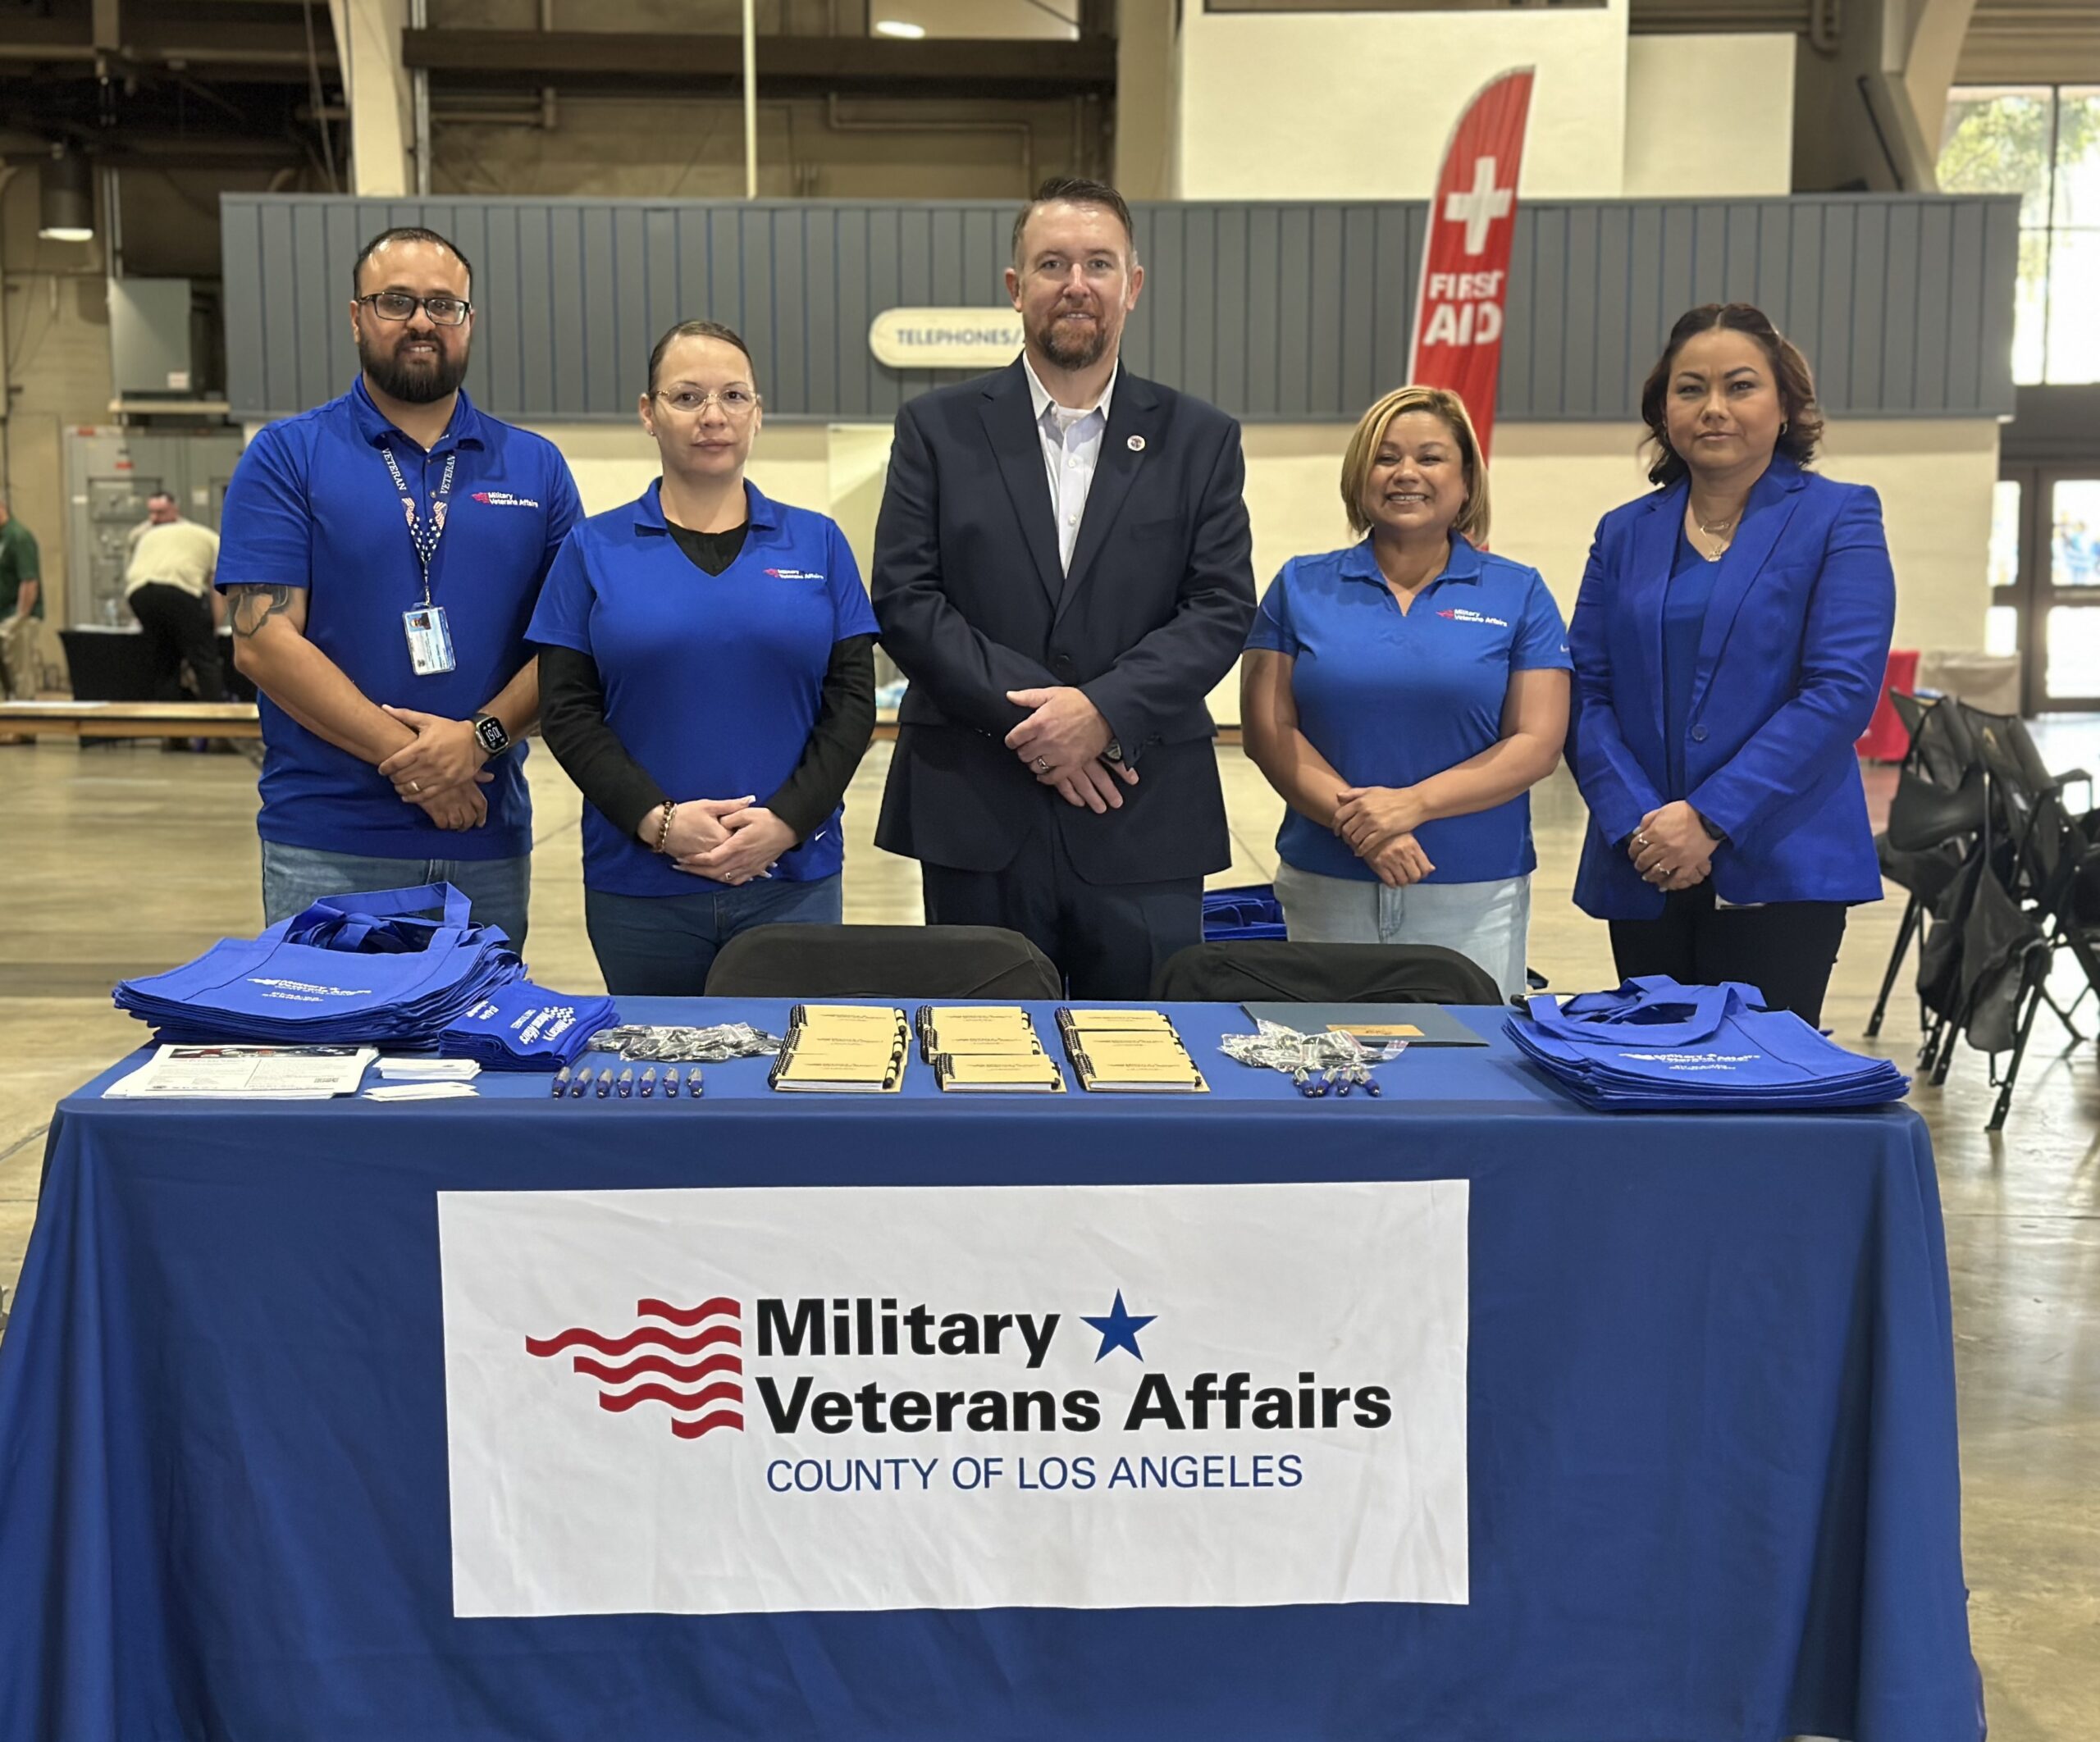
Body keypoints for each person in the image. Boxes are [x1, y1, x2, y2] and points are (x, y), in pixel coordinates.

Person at [872, 176, 1257, 999]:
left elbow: (1220, 607)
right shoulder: (936, 430)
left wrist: (1103, 714)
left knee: (1147, 1077)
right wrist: (1050, 722)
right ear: (1015, 289)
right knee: (983, 1071)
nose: (1076, 285)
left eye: (1098, 264)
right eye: (1051, 264)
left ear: (1134, 286)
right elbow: (906, 598)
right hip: (979, 810)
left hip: (1141, 812)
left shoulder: (1201, 439)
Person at [216, 226, 581, 949]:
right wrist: (425, 767)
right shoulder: (288, 457)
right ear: (357, 317)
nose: (422, 320)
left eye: (445, 305)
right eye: (397, 301)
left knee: (476, 1057)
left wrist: (474, 745)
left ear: (468, 321)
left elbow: (572, 646)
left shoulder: (536, 468)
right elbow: (263, 644)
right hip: (328, 845)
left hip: (486, 838)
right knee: (329, 1054)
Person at [1564, 302, 1895, 1025]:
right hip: (1645, 860)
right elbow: (1585, 689)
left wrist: (1709, 819)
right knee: (1654, 1085)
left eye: (1740, 386)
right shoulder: (1624, 533)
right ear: (1664, 409)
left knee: (1759, 1100)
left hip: (1781, 859)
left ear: (1785, 407)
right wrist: (1641, 827)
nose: (1714, 408)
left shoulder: (1839, 517)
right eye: (1690, 389)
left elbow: (1838, 693)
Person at [528, 320, 878, 993]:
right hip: (641, 884)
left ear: (758, 414)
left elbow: (852, 706)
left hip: (791, 880)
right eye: (687, 397)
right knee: (661, 1083)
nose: (712, 416)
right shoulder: (592, 550)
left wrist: (784, 824)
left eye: (733, 397)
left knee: (789, 1076)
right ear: (648, 413)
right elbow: (567, 712)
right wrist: (658, 824)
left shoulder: (819, 543)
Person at [1240, 385, 1570, 999]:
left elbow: (1537, 744)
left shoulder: (1519, 593)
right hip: (1327, 883)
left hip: (1472, 893)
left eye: (1430, 457)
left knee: (1467, 1076)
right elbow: (1268, 732)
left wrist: (1412, 806)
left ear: (1467, 480)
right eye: (1386, 457)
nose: (1406, 473)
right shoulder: (1300, 586)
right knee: (1327, 1069)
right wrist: (1368, 828)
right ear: (1359, 476)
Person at [126, 492, 227, 703]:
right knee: (204, 660)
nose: (154, 517)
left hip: (139, 594)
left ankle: (170, 730)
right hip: (178, 591)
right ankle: (218, 722)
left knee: (164, 661)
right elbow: (218, 586)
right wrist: (214, 627)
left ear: (175, 509)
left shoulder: (144, 535)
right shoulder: (210, 538)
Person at [0, 495, 44, 700]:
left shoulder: (18, 537)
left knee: (21, 676)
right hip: (2, 615)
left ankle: (26, 729)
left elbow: (29, 581)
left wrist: (19, 619)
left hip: (18, 618)